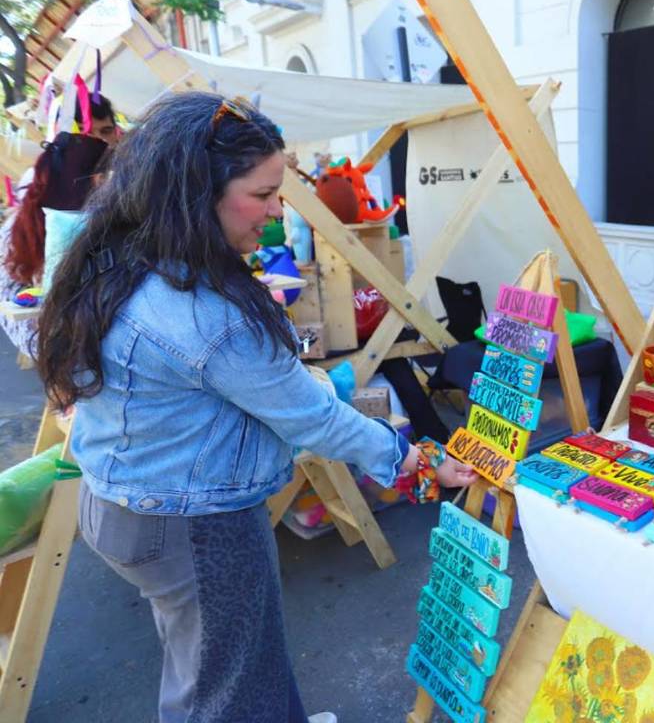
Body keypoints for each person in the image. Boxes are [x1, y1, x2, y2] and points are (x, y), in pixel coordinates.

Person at [36, 92, 477, 723]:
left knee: (206, 665)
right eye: (263, 194)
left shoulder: (121, 257)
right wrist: (410, 457)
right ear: (195, 193)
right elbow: (311, 417)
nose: (276, 213)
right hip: (196, 523)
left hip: (124, 503)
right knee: (228, 690)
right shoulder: (205, 311)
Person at [1, 94, 120, 356]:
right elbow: (12, 311)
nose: (98, 141)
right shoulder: (25, 222)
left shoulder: (128, 198)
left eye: (106, 131)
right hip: (69, 359)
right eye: (86, 132)